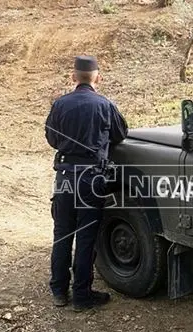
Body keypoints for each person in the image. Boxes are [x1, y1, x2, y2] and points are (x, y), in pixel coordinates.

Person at [45, 55, 128, 312]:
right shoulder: (105, 105)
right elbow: (121, 134)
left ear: (73, 77)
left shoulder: (60, 104)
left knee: (62, 235)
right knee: (85, 238)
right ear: (97, 78)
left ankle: (59, 291)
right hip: (91, 180)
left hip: (66, 178)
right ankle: (81, 295)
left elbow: (51, 138)